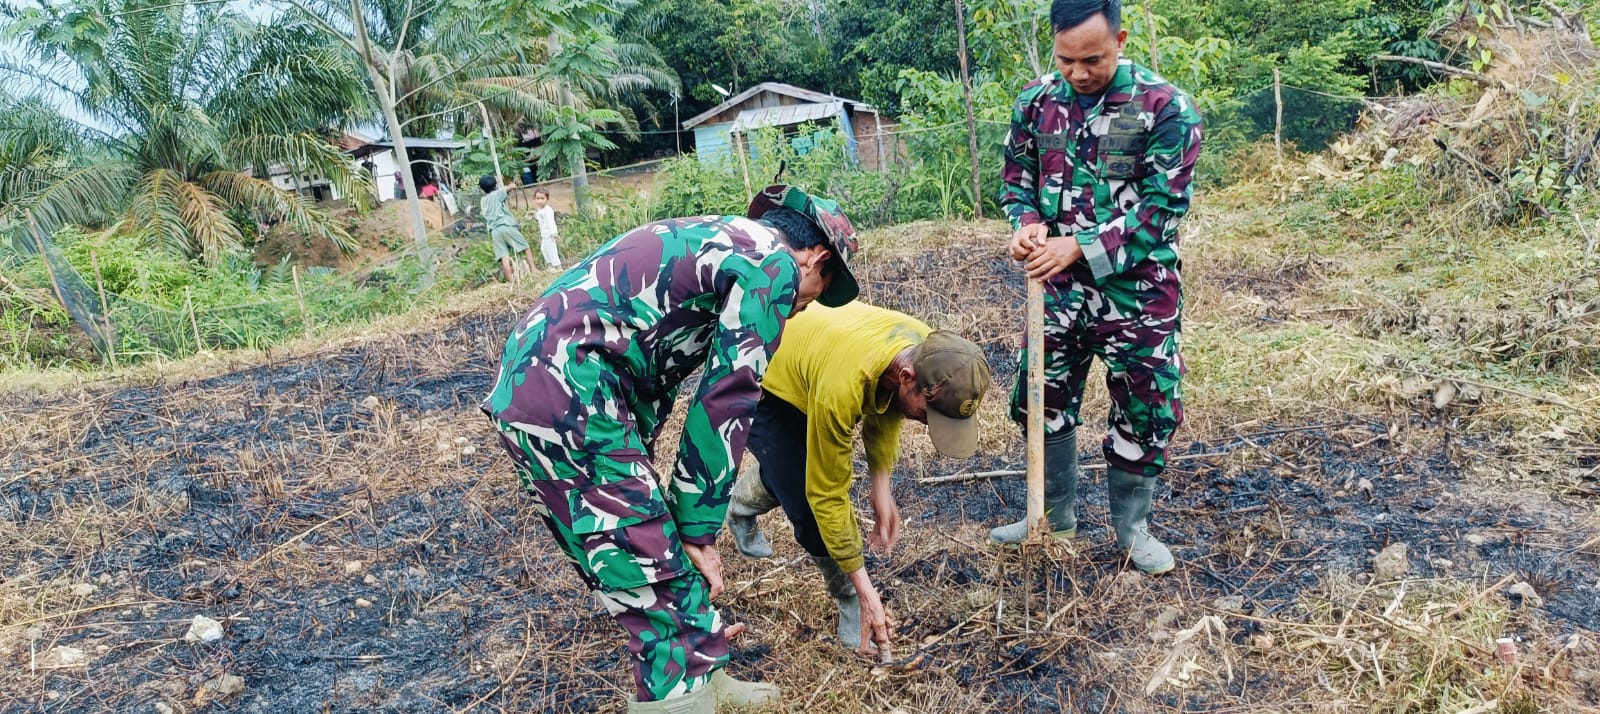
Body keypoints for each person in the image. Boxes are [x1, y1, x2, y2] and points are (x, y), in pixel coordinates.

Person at [483, 185, 861, 714]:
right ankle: (680, 699)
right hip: (571, 390)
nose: (802, 308)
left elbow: (648, 362)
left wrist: (670, 510)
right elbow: (729, 396)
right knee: (654, 570)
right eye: (817, 292)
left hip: (539, 384)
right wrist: (698, 529)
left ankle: (706, 677)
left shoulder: (722, 237)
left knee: (650, 542)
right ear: (817, 257)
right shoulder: (772, 264)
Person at [991, 0, 1203, 576]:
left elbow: (1161, 211)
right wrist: (1026, 226)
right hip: (1055, 287)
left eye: (1094, 59)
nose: (1079, 72)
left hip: (1138, 292)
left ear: (1120, 40)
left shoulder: (1166, 108)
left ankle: (1133, 530)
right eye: (1067, 60)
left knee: (1145, 403)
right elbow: (1017, 180)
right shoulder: (1036, 103)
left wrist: (1079, 246)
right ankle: (1051, 519)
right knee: (1042, 397)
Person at [725, 301, 991, 654]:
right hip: (762, 370)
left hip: (816, 356)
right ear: (908, 378)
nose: (930, 425)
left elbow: (886, 405)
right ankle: (848, 600)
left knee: (795, 470)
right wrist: (865, 591)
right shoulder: (844, 385)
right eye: (931, 416)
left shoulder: (927, 349)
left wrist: (881, 485)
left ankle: (746, 499)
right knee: (808, 502)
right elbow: (827, 494)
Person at [478, 175, 538, 283]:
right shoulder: (497, 194)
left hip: (494, 231)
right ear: (495, 185)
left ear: (482, 188)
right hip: (505, 226)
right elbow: (512, 187)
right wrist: (510, 185)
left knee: (504, 257)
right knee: (526, 247)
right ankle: (534, 270)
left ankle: (511, 282)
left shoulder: (483, 200)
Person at [532, 188, 562, 269]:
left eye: (542, 198)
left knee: (551, 250)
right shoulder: (540, 209)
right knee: (544, 250)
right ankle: (550, 266)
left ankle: (558, 267)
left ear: (547, 199)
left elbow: (550, 222)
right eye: (537, 198)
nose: (540, 201)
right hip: (544, 235)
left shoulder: (548, 210)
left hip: (549, 234)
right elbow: (540, 218)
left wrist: (554, 232)